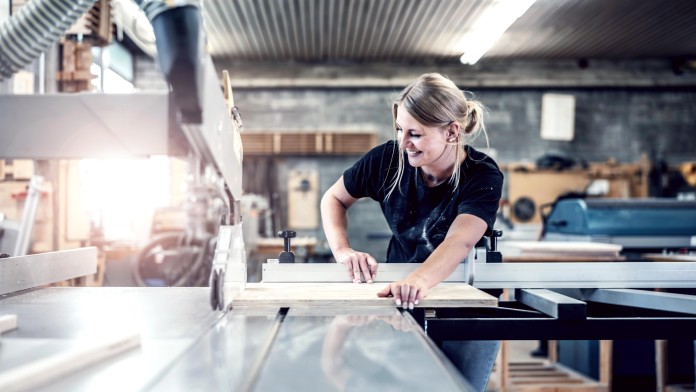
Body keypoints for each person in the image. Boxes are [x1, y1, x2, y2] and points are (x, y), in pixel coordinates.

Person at [320, 72, 503, 391]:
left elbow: (459, 240)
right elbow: (333, 198)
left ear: (452, 132)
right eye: (400, 131)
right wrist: (343, 251)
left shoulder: (482, 176)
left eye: (415, 134)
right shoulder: (387, 161)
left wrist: (418, 280)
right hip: (407, 299)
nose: (404, 144)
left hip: (467, 301)